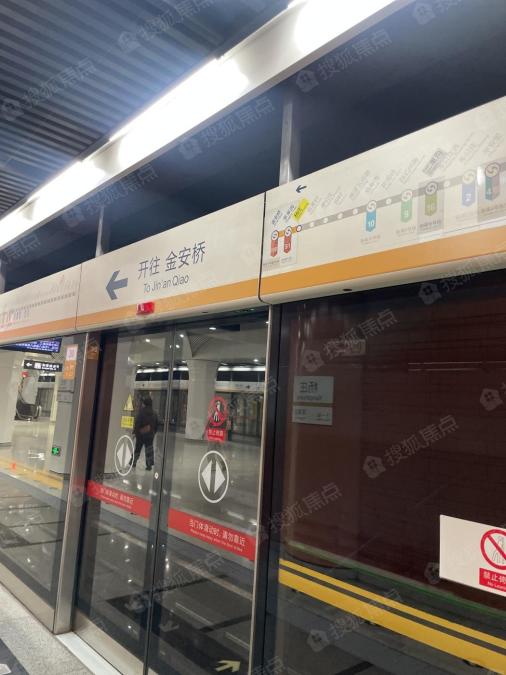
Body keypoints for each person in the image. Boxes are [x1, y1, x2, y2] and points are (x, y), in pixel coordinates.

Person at [132, 395, 158, 470]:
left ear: (145, 403)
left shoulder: (141, 412)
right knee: (149, 450)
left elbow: (137, 423)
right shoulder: (154, 413)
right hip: (150, 435)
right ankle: (149, 465)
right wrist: (153, 433)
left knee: (137, 449)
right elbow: (156, 425)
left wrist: (135, 432)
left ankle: (133, 463)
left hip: (141, 435)